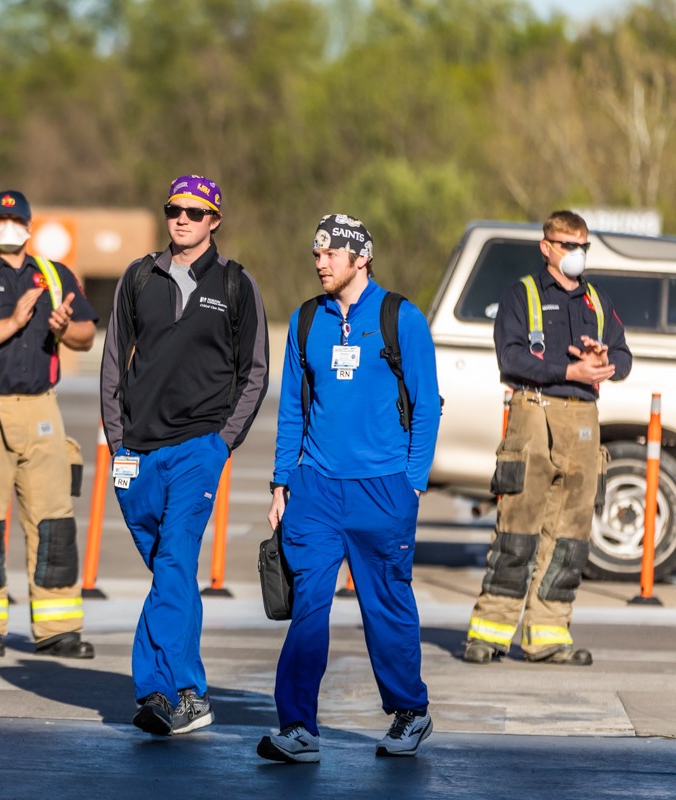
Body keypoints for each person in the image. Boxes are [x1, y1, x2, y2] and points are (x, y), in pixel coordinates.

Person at [258, 214, 440, 762]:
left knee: (385, 605)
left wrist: (412, 485)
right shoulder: (306, 319)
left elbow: (427, 405)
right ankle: (298, 728)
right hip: (314, 489)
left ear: (360, 258)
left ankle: (411, 711)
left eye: (330, 254)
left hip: (383, 491)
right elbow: (293, 407)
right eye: (316, 254)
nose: (320, 263)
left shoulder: (400, 318)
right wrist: (281, 482)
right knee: (308, 606)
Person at [101, 174, 269, 737]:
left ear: (214, 221)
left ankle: (157, 691)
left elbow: (255, 372)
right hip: (136, 450)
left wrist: (223, 443)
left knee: (175, 562)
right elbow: (111, 363)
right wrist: (118, 441)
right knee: (169, 573)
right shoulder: (137, 277)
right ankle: (193, 690)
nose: (183, 220)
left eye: (196, 213)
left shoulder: (237, 283)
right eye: (175, 210)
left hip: (199, 446)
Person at [463, 210, 631, 666]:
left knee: (571, 537)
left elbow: (623, 355)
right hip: (534, 415)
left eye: (583, 246)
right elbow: (511, 359)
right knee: (518, 530)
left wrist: (605, 360)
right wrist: (567, 370)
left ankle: (548, 635)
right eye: (568, 244)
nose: (577, 254)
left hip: (583, 420)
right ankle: (490, 633)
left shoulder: (597, 299)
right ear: (547, 247)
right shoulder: (523, 294)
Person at [0, 189, 98, 659]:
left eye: (15, 219)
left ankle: (58, 629)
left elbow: (86, 335)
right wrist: (15, 320)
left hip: (42, 407)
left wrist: (64, 326)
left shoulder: (54, 274)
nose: (8, 227)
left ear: (29, 226)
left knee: (54, 522)